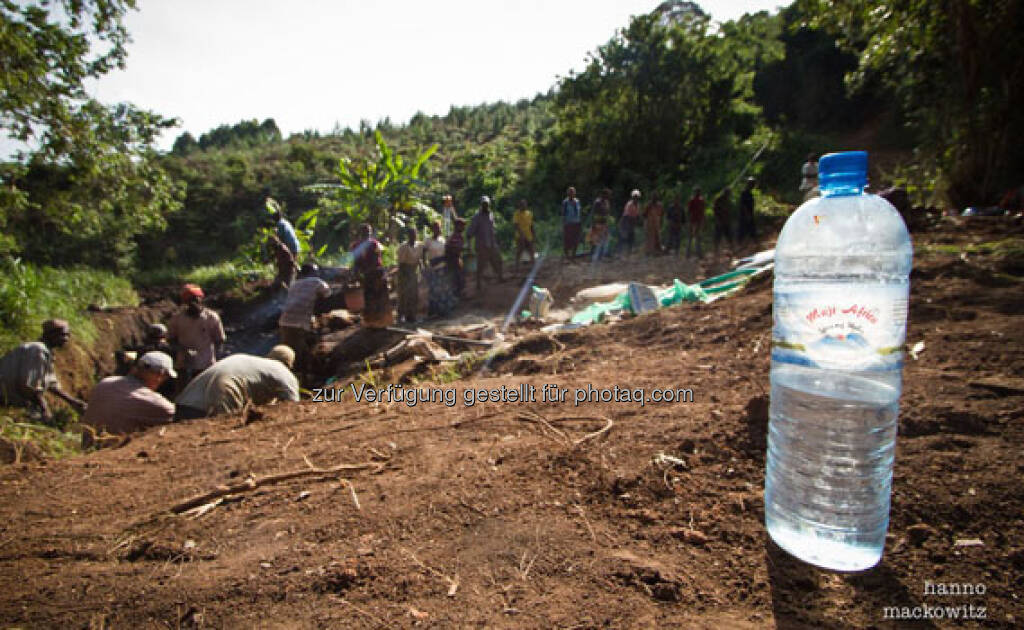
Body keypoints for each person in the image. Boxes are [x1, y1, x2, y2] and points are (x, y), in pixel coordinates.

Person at [174, 346, 300, 420]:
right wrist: (320, 397)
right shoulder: (283, 372)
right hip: (225, 392)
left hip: (187, 402)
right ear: (290, 364)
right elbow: (294, 405)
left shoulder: (252, 362)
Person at [80, 351, 176, 448]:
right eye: (165, 376)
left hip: (86, 449)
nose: (163, 381)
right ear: (159, 375)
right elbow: (175, 415)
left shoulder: (105, 382)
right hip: (113, 454)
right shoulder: (157, 404)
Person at [0, 319, 86, 424]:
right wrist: (45, 409)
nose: (66, 339)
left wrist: (73, 402)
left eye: (68, 335)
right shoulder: (38, 350)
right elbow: (28, 385)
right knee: (38, 419)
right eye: (63, 335)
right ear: (51, 335)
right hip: (5, 395)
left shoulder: (45, 352)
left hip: (9, 395)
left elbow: (51, 384)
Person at [167, 284, 225, 389]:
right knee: (183, 392)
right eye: (189, 301)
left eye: (195, 299)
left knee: (204, 392)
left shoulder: (211, 317)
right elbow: (171, 339)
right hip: (184, 364)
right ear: (185, 302)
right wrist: (183, 350)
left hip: (206, 364)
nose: (193, 303)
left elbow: (219, 340)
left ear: (200, 299)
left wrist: (217, 359)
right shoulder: (177, 319)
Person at [278, 262, 330, 374]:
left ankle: (284, 375)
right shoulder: (317, 282)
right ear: (313, 273)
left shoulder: (294, 284)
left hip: (284, 322)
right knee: (300, 356)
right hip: (300, 324)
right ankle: (303, 379)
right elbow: (328, 295)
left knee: (286, 353)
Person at [114, 323, 176, 398]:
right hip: (164, 386)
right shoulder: (171, 349)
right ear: (164, 335)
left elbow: (135, 363)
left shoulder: (143, 349)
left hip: (141, 385)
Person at [350, 224, 392, 328]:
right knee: (370, 298)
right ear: (362, 233)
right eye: (366, 231)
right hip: (369, 274)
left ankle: (382, 321)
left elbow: (378, 259)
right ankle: (372, 321)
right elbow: (356, 262)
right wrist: (357, 274)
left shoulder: (374, 244)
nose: (367, 234)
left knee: (378, 297)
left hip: (375, 273)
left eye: (368, 231)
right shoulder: (360, 245)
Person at [466, 196, 504, 292]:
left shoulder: (491, 215)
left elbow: (492, 229)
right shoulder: (476, 217)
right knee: (481, 265)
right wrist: (469, 245)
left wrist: (497, 241)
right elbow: (470, 232)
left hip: (492, 243)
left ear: (489, 204)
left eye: (487, 204)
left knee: (497, 260)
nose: (485, 205)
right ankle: (478, 284)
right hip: (482, 245)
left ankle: (500, 277)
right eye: (484, 204)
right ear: (481, 205)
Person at [421, 221, 454, 317]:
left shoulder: (442, 240)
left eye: (439, 228)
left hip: (442, 267)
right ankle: (433, 311)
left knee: (443, 290)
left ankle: (443, 311)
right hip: (433, 268)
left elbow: (446, 253)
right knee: (433, 290)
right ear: (432, 229)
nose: (437, 230)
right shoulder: (428, 241)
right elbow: (423, 253)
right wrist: (425, 265)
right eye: (435, 228)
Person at [396, 227, 422, 324]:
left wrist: (422, 270)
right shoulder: (403, 247)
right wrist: (404, 276)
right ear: (408, 235)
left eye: (414, 234)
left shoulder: (419, 246)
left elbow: (420, 260)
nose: (413, 236)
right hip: (404, 271)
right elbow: (401, 263)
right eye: (411, 234)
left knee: (414, 295)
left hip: (414, 271)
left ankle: (412, 316)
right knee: (403, 294)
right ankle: (401, 315)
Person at [445, 218, 466, 299]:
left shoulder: (459, 236)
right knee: (456, 282)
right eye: (462, 226)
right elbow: (452, 249)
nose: (463, 228)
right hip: (452, 262)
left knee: (460, 281)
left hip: (457, 261)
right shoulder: (454, 237)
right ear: (457, 226)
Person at [589, 188, 612, 262]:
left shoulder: (607, 202)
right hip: (597, 223)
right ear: (603, 194)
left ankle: (600, 256)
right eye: (607, 195)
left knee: (604, 240)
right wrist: (593, 223)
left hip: (604, 223)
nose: (608, 197)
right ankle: (592, 255)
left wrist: (607, 223)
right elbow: (593, 213)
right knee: (595, 239)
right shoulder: (597, 202)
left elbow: (607, 213)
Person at [512, 199, 536, 272]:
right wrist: (521, 234)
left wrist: (534, 234)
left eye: (525, 204)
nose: (523, 206)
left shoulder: (529, 213)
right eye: (522, 204)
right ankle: (516, 267)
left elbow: (531, 225)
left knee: (532, 250)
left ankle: (533, 268)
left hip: (529, 235)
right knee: (519, 251)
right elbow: (516, 225)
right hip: (520, 236)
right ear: (519, 205)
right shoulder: (517, 214)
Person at [561, 186, 583, 261]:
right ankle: (567, 256)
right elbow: (563, 214)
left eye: (573, 192)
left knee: (576, 240)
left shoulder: (577, 201)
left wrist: (580, 222)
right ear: (567, 193)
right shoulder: (565, 202)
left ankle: (573, 256)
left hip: (576, 223)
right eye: (570, 192)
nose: (571, 193)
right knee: (567, 240)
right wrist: (563, 224)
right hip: (568, 223)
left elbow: (579, 212)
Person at [686, 187, 706, 259]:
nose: (697, 193)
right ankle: (690, 254)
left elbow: (703, 212)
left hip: (697, 221)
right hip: (693, 221)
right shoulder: (693, 200)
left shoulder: (701, 200)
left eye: (698, 192)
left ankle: (697, 254)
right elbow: (689, 211)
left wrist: (703, 220)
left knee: (696, 238)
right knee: (692, 237)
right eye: (697, 192)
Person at [619, 190, 641, 255]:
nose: (636, 198)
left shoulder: (638, 205)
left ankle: (629, 251)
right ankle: (620, 252)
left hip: (632, 222)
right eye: (635, 197)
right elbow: (626, 215)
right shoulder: (629, 204)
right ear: (633, 197)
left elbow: (637, 215)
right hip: (626, 222)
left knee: (631, 237)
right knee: (624, 237)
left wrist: (637, 220)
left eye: (637, 197)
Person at [712, 187, 734, 253]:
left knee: (729, 236)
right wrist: (718, 220)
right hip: (720, 222)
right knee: (718, 237)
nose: (728, 194)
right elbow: (715, 211)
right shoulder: (718, 199)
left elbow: (728, 211)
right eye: (728, 193)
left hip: (726, 221)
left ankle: (732, 250)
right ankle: (716, 251)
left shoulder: (727, 200)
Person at [737, 177, 758, 244]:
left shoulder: (749, 193)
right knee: (743, 230)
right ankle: (740, 244)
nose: (753, 185)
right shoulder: (744, 193)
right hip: (745, 215)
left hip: (749, 214)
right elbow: (743, 205)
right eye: (752, 184)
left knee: (751, 229)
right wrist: (747, 214)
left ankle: (754, 242)